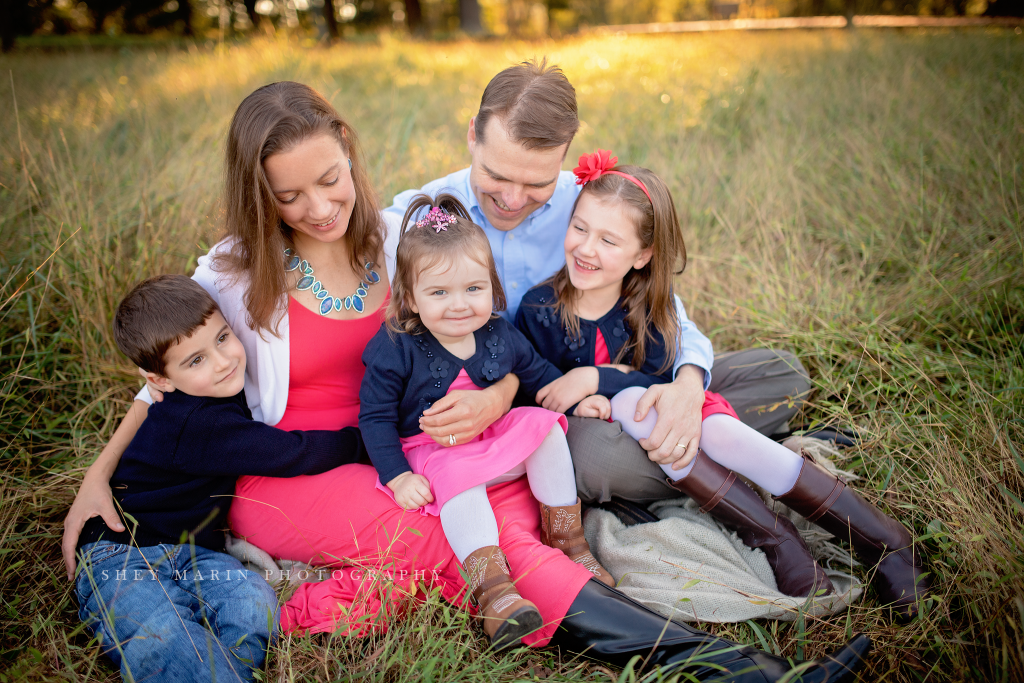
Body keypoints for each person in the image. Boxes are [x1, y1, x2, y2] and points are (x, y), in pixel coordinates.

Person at [62, 81, 871, 682]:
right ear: (258, 193)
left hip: (433, 444)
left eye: (332, 178)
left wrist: (497, 396)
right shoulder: (236, 275)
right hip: (299, 474)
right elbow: (163, 380)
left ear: (351, 154)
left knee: (512, 509)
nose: (319, 205)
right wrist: (94, 482)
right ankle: (735, 671)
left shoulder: (402, 234)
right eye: (290, 193)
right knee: (475, 544)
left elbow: (493, 336)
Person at [515, 150, 931, 619]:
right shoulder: (539, 309)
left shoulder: (647, 303)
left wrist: (599, 379)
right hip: (600, 439)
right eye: (580, 228)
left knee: (772, 374)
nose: (587, 249)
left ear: (642, 255)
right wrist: (601, 398)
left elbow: (661, 376)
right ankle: (776, 534)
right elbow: (538, 393)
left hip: (660, 412)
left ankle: (879, 541)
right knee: (612, 434)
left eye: (609, 240)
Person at [385, 59, 813, 509]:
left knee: (780, 372)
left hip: (627, 377)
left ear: (564, 156)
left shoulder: (588, 206)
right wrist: (497, 397)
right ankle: (721, 456)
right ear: (473, 135)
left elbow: (667, 312)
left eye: (537, 182)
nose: (512, 200)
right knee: (594, 462)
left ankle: (689, 446)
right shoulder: (422, 220)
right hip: (539, 405)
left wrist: (687, 388)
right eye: (496, 176)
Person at [77, 274, 367, 683]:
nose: (223, 360)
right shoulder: (196, 422)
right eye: (195, 360)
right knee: (160, 635)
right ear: (159, 380)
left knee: (254, 604)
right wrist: (363, 443)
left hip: (197, 553)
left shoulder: (213, 390)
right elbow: (290, 453)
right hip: (122, 553)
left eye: (223, 338)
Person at [360, 193, 613, 649]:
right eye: (439, 293)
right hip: (434, 449)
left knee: (540, 426)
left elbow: (537, 375)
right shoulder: (395, 345)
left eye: (473, 289)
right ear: (411, 299)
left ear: (491, 287)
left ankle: (568, 538)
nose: (460, 305)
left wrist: (575, 402)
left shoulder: (498, 332)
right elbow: (374, 417)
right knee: (458, 476)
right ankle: (495, 589)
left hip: (492, 437)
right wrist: (396, 476)